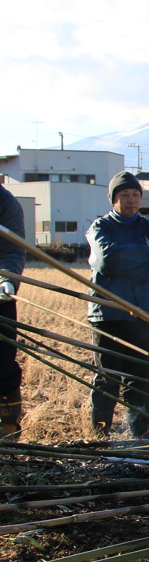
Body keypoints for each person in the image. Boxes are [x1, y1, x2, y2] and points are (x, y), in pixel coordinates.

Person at [87, 171, 149, 439]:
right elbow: (107, 261)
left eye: (135, 194)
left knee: (141, 377)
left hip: (144, 313)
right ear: (114, 199)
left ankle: (141, 435)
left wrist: (128, 264)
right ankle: (101, 435)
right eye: (124, 195)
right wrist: (144, 256)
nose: (131, 200)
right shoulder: (101, 227)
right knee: (107, 377)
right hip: (109, 313)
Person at [0, 184, 26, 441]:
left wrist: (7, 278)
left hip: (0, 294)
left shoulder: (5, 201)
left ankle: (6, 432)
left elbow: (12, 249)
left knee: (3, 366)